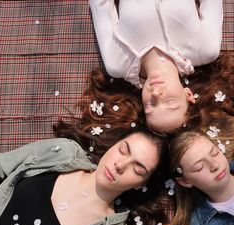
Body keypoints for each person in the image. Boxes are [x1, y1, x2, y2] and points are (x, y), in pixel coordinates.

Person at [0, 70, 170, 225]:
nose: (120, 165)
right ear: (115, 144)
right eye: (124, 150)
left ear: (141, 183)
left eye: (138, 169)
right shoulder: (62, 152)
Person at [89, 0, 223, 133]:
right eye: (170, 102)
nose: (156, 94)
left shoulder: (117, 64)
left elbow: (100, 6)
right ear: (188, 94)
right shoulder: (205, 50)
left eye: (150, 105)